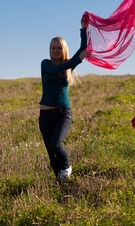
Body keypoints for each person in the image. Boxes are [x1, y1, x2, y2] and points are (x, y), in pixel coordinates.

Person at [39, 15, 88, 180]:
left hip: (62, 113)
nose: (55, 51)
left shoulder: (68, 65)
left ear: (63, 49)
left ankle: (66, 167)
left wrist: (83, 29)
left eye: (58, 48)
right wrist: (77, 61)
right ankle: (60, 183)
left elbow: (83, 49)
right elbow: (54, 70)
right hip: (45, 115)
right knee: (51, 155)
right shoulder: (45, 64)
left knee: (55, 144)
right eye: (53, 48)